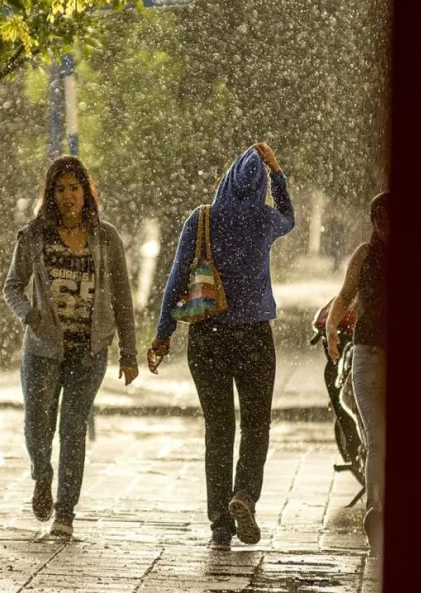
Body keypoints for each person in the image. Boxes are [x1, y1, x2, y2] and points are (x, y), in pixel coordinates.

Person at [148, 142, 295, 550]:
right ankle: (244, 495)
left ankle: (218, 528)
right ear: (259, 185)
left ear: (228, 179)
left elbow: (176, 278)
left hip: (207, 336)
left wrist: (163, 335)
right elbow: (290, 218)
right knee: (255, 424)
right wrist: (277, 173)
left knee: (218, 428)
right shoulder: (264, 219)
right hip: (254, 337)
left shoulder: (202, 219)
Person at [3, 155, 139, 538]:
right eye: (60, 189)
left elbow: (123, 299)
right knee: (37, 425)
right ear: (50, 194)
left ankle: (65, 512)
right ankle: (42, 476)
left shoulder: (105, 236)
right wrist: (29, 315)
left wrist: (129, 353)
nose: (67, 196)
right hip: (43, 350)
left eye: (74, 188)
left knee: (74, 426)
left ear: (86, 192)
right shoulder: (33, 235)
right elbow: (12, 286)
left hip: (90, 351)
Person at [325, 191, 389, 553]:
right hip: (366, 356)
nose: (384, 225)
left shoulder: (374, 253)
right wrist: (332, 329)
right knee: (378, 440)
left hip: (378, 356)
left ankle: (379, 509)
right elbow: (345, 294)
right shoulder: (365, 255)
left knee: (382, 440)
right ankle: (375, 512)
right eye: (380, 219)